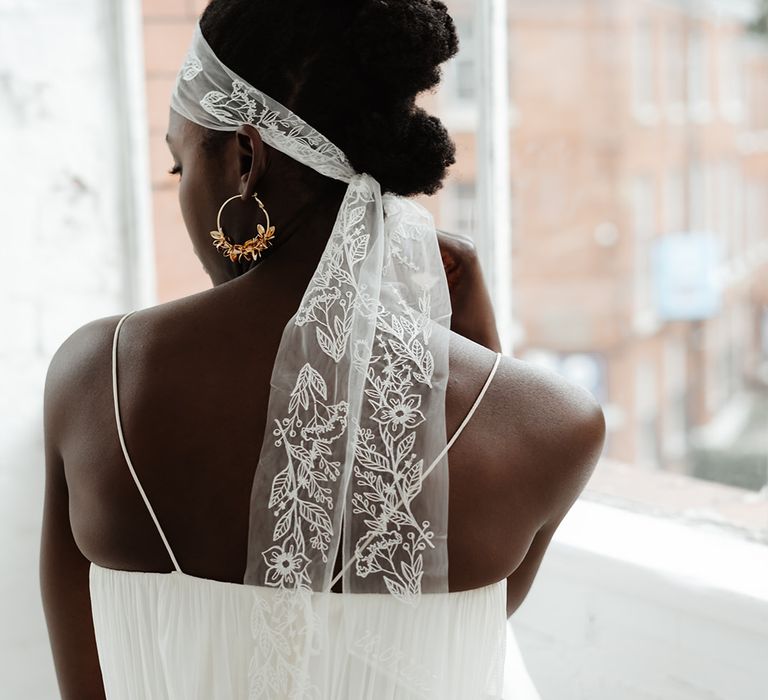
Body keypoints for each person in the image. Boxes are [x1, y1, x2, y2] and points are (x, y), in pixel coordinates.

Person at [40, 1, 605, 698]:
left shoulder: (97, 375)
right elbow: (459, 635)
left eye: (179, 167)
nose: (182, 191)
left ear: (244, 158)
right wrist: (483, 350)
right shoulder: (558, 426)